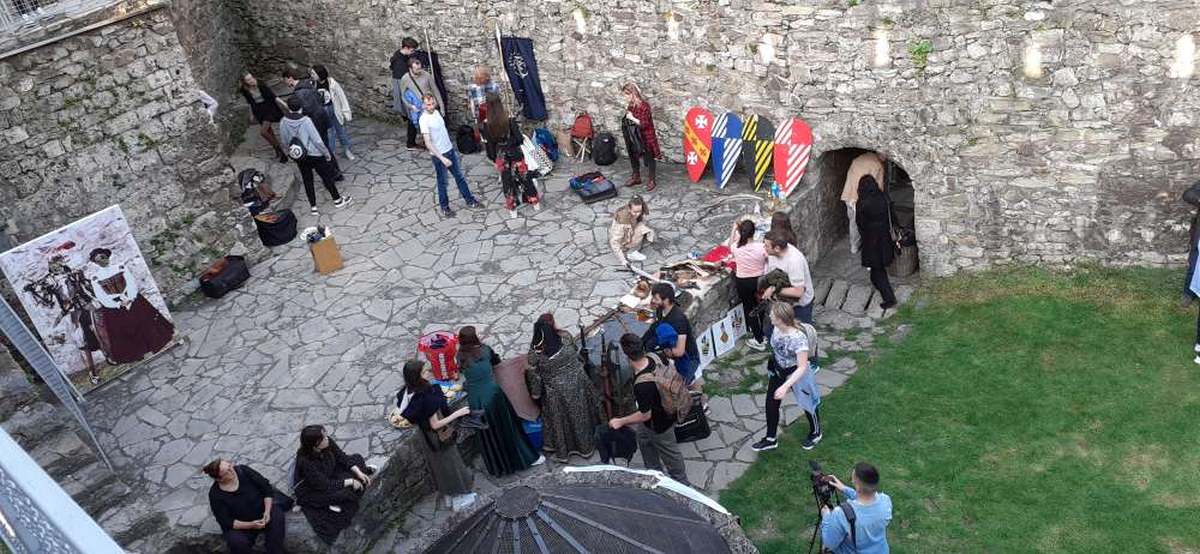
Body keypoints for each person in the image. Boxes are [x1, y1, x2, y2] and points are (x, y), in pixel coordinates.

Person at [456, 326, 543, 476]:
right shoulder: (485, 350)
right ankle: (525, 458)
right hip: (492, 396)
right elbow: (496, 361)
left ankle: (499, 467)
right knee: (508, 429)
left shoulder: (460, 356)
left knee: (488, 435)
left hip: (475, 400)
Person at [609, 333, 688, 484]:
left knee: (671, 455)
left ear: (627, 356)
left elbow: (645, 415)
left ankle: (683, 484)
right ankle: (654, 474)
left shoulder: (642, 385)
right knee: (643, 439)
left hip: (661, 424)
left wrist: (620, 421)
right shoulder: (656, 356)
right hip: (667, 409)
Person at [525, 314, 601, 462]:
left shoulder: (536, 354)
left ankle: (567, 450)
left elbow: (534, 375)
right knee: (583, 415)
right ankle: (588, 444)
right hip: (579, 384)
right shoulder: (566, 337)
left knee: (563, 422)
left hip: (556, 393)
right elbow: (576, 353)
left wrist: (536, 394)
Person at [399, 359, 475, 502]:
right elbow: (435, 424)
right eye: (425, 372)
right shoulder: (427, 396)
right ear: (418, 376)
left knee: (439, 467)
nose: (429, 373)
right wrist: (458, 413)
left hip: (425, 435)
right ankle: (459, 494)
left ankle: (448, 494)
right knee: (451, 463)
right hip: (439, 435)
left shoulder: (406, 393)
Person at [751, 302, 822, 451]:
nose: (770, 315)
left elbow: (802, 366)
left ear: (780, 319)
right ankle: (770, 439)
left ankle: (816, 433)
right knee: (771, 403)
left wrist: (785, 386)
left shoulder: (798, 339)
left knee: (808, 402)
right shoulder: (776, 328)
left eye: (772, 314)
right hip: (778, 369)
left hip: (797, 372)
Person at [86, 248, 174, 365]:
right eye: (98, 260)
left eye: (103, 257)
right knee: (124, 329)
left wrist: (130, 298)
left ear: (107, 256)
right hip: (114, 306)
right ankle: (137, 352)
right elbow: (101, 296)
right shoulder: (96, 277)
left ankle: (153, 344)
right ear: (95, 263)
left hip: (132, 299)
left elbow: (131, 282)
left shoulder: (120, 267)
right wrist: (117, 304)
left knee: (144, 321)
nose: (102, 261)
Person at [24, 253, 102, 383]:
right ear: (50, 265)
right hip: (72, 311)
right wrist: (32, 291)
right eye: (55, 262)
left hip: (87, 305)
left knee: (101, 329)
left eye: (59, 260)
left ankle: (113, 356)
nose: (58, 264)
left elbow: (87, 286)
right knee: (82, 340)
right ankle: (93, 373)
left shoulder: (74, 273)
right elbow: (47, 301)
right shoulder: (49, 280)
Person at [293, 425, 375, 544]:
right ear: (315, 444)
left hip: (329, 473)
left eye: (326, 435)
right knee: (345, 494)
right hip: (313, 489)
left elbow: (342, 457)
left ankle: (359, 477)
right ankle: (329, 503)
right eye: (324, 438)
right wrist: (351, 481)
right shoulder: (305, 462)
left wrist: (358, 472)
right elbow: (324, 485)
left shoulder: (327, 442)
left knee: (357, 458)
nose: (327, 438)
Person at [280, 96, 353, 216]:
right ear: (301, 107)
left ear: (289, 108)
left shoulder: (283, 121)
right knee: (326, 176)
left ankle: (313, 207)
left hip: (300, 155)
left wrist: (290, 153)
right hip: (315, 154)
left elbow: (284, 140)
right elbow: (317, 140)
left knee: (307, 180)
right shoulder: (306, 120)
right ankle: (337, 200)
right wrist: (326, 153)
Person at [204, 459, 287, 554]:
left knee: (277, 516)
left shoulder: (243, 471)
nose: (232, 470)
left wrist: (267, 512)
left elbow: (266, 489)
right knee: (236, 541)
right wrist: (251, 525)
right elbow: (226, 521)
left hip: (263, 512)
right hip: (242, 525)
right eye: (227, 471)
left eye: (230, 465)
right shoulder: (215, 495)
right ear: (220, 479)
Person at [419, 93, 482, 218]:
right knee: (442, 182)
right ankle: (444, 207)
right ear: (424, 105)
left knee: (459, 176)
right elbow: (428, 143)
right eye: (428, 105)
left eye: (432, 104)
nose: (431, 107)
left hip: (450, 150)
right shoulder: (423, 120)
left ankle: (469, 200)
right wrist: (442, 158)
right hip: (439, 156)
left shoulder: (437, 113)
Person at [282, 66, 342, 179]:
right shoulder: (308, 84)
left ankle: (332, 173)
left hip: (315, 123)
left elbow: (305, 110)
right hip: (322, 119)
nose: (285, 83)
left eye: (285, 80)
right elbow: (319, 99)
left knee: (321, 149)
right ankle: (336, 172)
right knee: (326, 146)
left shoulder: (298, 94)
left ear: (290, 78)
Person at [820, 462, 893, 554]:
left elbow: (829, 544)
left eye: (853, 480)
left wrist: (826, 517)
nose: (852, 481)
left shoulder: (841, 514)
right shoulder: (885, 501)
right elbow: (865, 497)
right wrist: (844, 488)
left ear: (857, 485)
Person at [641, 283, 701, 386]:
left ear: (666, 300)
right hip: (670, 343)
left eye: (656, 299)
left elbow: (679, 351)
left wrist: (662, 353)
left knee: (676, 387)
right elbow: (655, 327)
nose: (652, 301)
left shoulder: (678, 320)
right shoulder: (661, 310)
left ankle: (690, 380)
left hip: (686, 359)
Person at [856, 175, 897, 310]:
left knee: (877, 270)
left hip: (872, 239)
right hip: (885, 236)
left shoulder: (862, 202)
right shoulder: (884, 197)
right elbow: (892, 215)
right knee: (877, 269)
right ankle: (883, 290)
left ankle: (889, 298)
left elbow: (860, 223)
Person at [727, 219, 768, 350]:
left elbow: (729, 246)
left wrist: (734, 229)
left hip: (743, 281)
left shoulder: (736, 247)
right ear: (754, 232)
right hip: (759, 280)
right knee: (760, 306)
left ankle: (758, 338)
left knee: (749, 309)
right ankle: (761, 333)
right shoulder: (761, 247)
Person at [762, 229, 816, 327]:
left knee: (800, 332)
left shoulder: (794, 261)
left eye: (766, 246)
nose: (763, 248)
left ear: (777, 248)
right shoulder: (773, 253)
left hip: (800, 306)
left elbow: (798, 292)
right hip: (782, 303)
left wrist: (773, 290)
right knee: (771, 330)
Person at [842, 152, 886, 254]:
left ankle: (854, 246)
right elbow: (879, 188)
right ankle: (868, 248)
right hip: (863, 201)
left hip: (848, 195)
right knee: (868, 224)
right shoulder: (878, 165)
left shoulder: (857, 159)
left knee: (853, 222)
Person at [238, 72, 287, 163]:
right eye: (248, 80)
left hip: (269, 109)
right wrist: (251, 114)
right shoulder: (244, 89)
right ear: (245, 82)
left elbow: (273, 96)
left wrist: (284, 104)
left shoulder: (261, 84)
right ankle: (278, 152)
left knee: (263, 132)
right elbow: (250, 103)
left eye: (251, 78)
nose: (251, 80)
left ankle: (281, 152)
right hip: (259, 111)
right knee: (270, 132)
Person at [620, 82, 661, 191]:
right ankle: (636, 176)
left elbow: (644, 124)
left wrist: (632, 118)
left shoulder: (644, 106)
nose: (625, 97)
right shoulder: (631, 105)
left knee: (649, 156)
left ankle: (652, 180)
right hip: (634, 135)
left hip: (646, 135)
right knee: (633, 154)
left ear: (632, 94)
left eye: (626, 95)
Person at [311, 65, 356, 161]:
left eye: (313, 73)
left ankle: (347, 150)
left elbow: (342, 97)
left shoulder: (332, 83)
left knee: (341, 131)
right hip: (323, 111)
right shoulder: (313, 84)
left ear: (320, 74)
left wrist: (346, 112)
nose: (312, 75)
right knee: (329, 133)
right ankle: (332, 152)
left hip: (334, 109)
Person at [401, 57, 444, 144]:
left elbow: (435, 91)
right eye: (416, 69)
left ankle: (431, 143)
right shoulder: (405, 78)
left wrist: (442, 107)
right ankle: (411, 143)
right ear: (410, 69)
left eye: (420, 67)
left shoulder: (426, 75)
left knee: (432, 125)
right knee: (413, 123)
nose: (419, 70)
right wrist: (411, 106)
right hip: (416, 106)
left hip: (429, 105)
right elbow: (402, 95)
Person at [609, 195, 655, 265]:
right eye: (635, 212)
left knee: (646, 230)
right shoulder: (622, 222)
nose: (637, 214)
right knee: (641, 231)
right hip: (623, 240)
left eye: (639, 211)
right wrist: (623, 260)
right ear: (629, 209)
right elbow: (614, 242)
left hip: (630, 230)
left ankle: (634, 244)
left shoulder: (637, 209)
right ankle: (630, 253)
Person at [480, 92, 511, 163]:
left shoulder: (486, 123)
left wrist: (493, 157)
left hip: (496, 154)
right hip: (510, 150)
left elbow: (488, 142)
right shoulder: (508, 118)